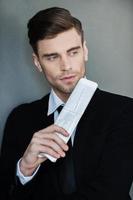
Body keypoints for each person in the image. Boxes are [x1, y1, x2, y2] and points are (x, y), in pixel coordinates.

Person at [0, 7, 133, 200]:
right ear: (37, 63)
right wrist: (25, 168)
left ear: (84, 51)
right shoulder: (20, 119)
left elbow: (110, 192)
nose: (66, 66)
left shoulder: (125, 112)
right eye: (52, 57)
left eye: (73, 52)